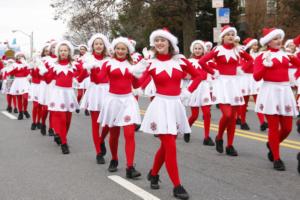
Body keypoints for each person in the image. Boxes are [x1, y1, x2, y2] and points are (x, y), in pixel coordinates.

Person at [135, 28, 203, 200]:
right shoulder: (151, 63)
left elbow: (199, 75)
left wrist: (188, 91)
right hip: (159, 106)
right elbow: (140, 83)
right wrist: (136, 72)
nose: (159, 43)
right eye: (156, 40)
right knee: (170, 146)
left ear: (170, 43)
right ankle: (177, 186)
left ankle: (154, 173)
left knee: (167, 145)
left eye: (162, 40)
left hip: (175, 106)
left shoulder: (180, 60)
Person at [199, 25, 253, 156]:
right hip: (221, 83)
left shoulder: (238, 50)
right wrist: (213, 72)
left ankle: (230, 145)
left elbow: (251, 59)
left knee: (233, 118)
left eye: (232, 35)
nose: (231, 36)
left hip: (234, 84)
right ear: (223, 37)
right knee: (227, 115)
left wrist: (241, 70)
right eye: (228, 34)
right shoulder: (218, 49)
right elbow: (202, 61)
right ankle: (219, 136)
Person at [253, 28, 300, 171]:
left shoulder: (287, 55)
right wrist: (266, 67)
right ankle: (277, 158)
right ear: (268, 42)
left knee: (287, 128)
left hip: (285, 91)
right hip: (270, 91)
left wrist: (295, 59)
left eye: (280, 38)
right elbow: (256, 77)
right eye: (275, 38)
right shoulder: (261, 56)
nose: (279, 41)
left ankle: (273, 144)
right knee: (273, 127)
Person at [97, 37, 142, 179]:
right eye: (118, 48)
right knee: (114, 134)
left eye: (123, 49)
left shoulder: (132, 64)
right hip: (113, 101)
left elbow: (136, 84)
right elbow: (99, 79)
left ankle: (130, 167)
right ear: (114, 49)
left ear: (128, 50)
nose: (120, 51)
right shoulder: (108, 63)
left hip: (128, 100)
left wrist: (140, 72)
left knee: (129, 134)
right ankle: (114, 159)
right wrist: (91, 68)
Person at [42, 40, 86, 154]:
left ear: (69, 51)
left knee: (67, 120)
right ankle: (64, 143)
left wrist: (88, 69)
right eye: (61, 50)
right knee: (61, 118)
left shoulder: (75, 64)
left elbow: (82, 76)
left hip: (69, 93)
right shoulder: (54, 65)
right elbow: (47, 80)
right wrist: (41, 71)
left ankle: (61, 136)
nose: (63, 52)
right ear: (58, 52)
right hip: (58, 93)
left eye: (65, 50)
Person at [79, 34, 111, 164]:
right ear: (92, 46)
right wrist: (87, 69)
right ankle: (98, 152)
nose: (98, 45)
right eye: (96, 43)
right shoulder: (88, 59)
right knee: (95, 124)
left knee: (109, 123)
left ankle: (101, 139)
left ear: (104, 46)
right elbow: (80, 78)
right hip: (94, 92)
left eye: (101, 43)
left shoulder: (109, 59)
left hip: (109, 91)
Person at [184, 40, 215, 145]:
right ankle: (186, 129)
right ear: (193, 49)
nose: (197, 50)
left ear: (203, 50)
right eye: (196, 48)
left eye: (200, 48)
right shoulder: (189, 61)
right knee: (195, 115)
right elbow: (182, 73)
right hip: (194, 87)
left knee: (207, 113)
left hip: (205, 87)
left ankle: (206, 137)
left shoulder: (207, 61)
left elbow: (217, 69)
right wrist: (186, 76)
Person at [9, 52, 31, 120]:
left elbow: (27, 73)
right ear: (16, 57)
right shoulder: (14, 64)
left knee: (25, 98)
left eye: (22, 56)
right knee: (19, 98)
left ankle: (25, 110)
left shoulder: (26, 64)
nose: (20, 57)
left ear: (24, 57)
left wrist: (25, 65)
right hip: (17, 82)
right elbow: (11, 73)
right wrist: (14, 69)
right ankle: (20, 112)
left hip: (24, 81)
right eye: (19, 56)